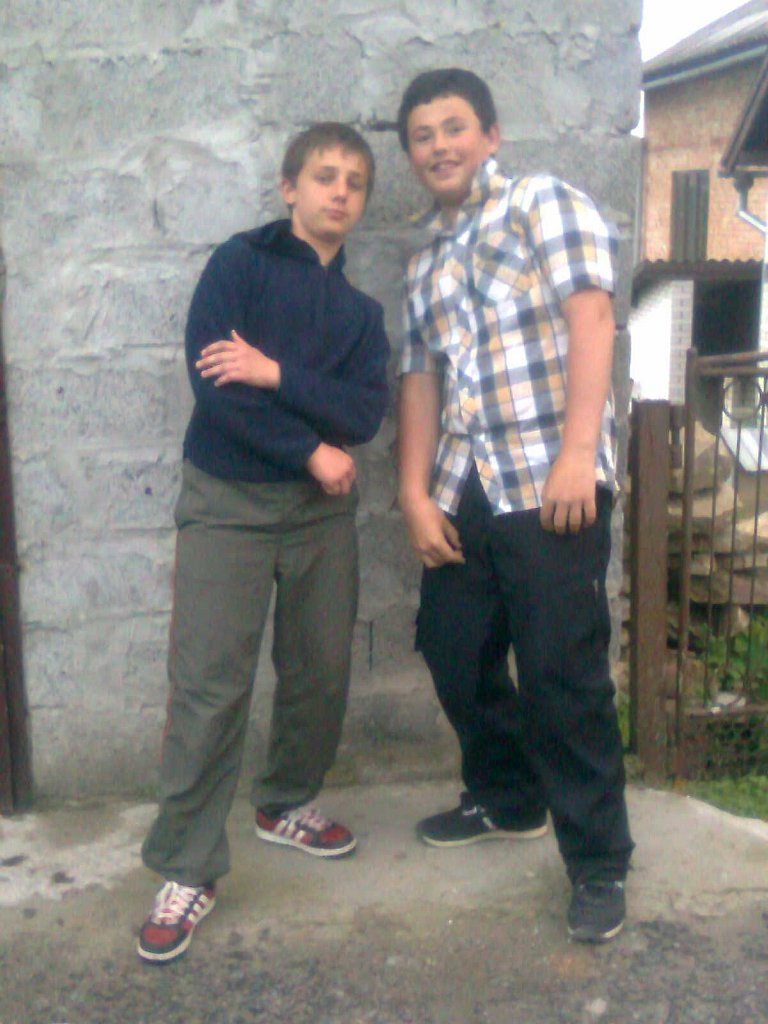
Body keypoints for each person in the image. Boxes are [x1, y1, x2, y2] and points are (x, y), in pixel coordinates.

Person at [137, 123, 389, 964]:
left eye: (355, 181)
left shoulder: (361, 315)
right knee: (210, 685)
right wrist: (309, 446)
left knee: (320, 668)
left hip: (320, 517)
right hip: (228, 503)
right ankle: (188, 867)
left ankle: (284, 803)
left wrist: (276, 373)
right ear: (289, 187)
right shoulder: (238, 266)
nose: (339, 191)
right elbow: (217, 386)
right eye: (324, 175)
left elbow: (363, 413)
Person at [395, 68, 634, 943]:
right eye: (423, 136)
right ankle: (509, 795)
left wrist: (578, 453)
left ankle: (599, 862)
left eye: (454, 127)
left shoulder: (542, 203)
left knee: (562, 674)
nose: (440, 146)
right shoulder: (423, 260)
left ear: (490, 135)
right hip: (465, 481)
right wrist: (413, 493)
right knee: (451, 645)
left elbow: (592, 319)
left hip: (548, 477)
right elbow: (420, 380)